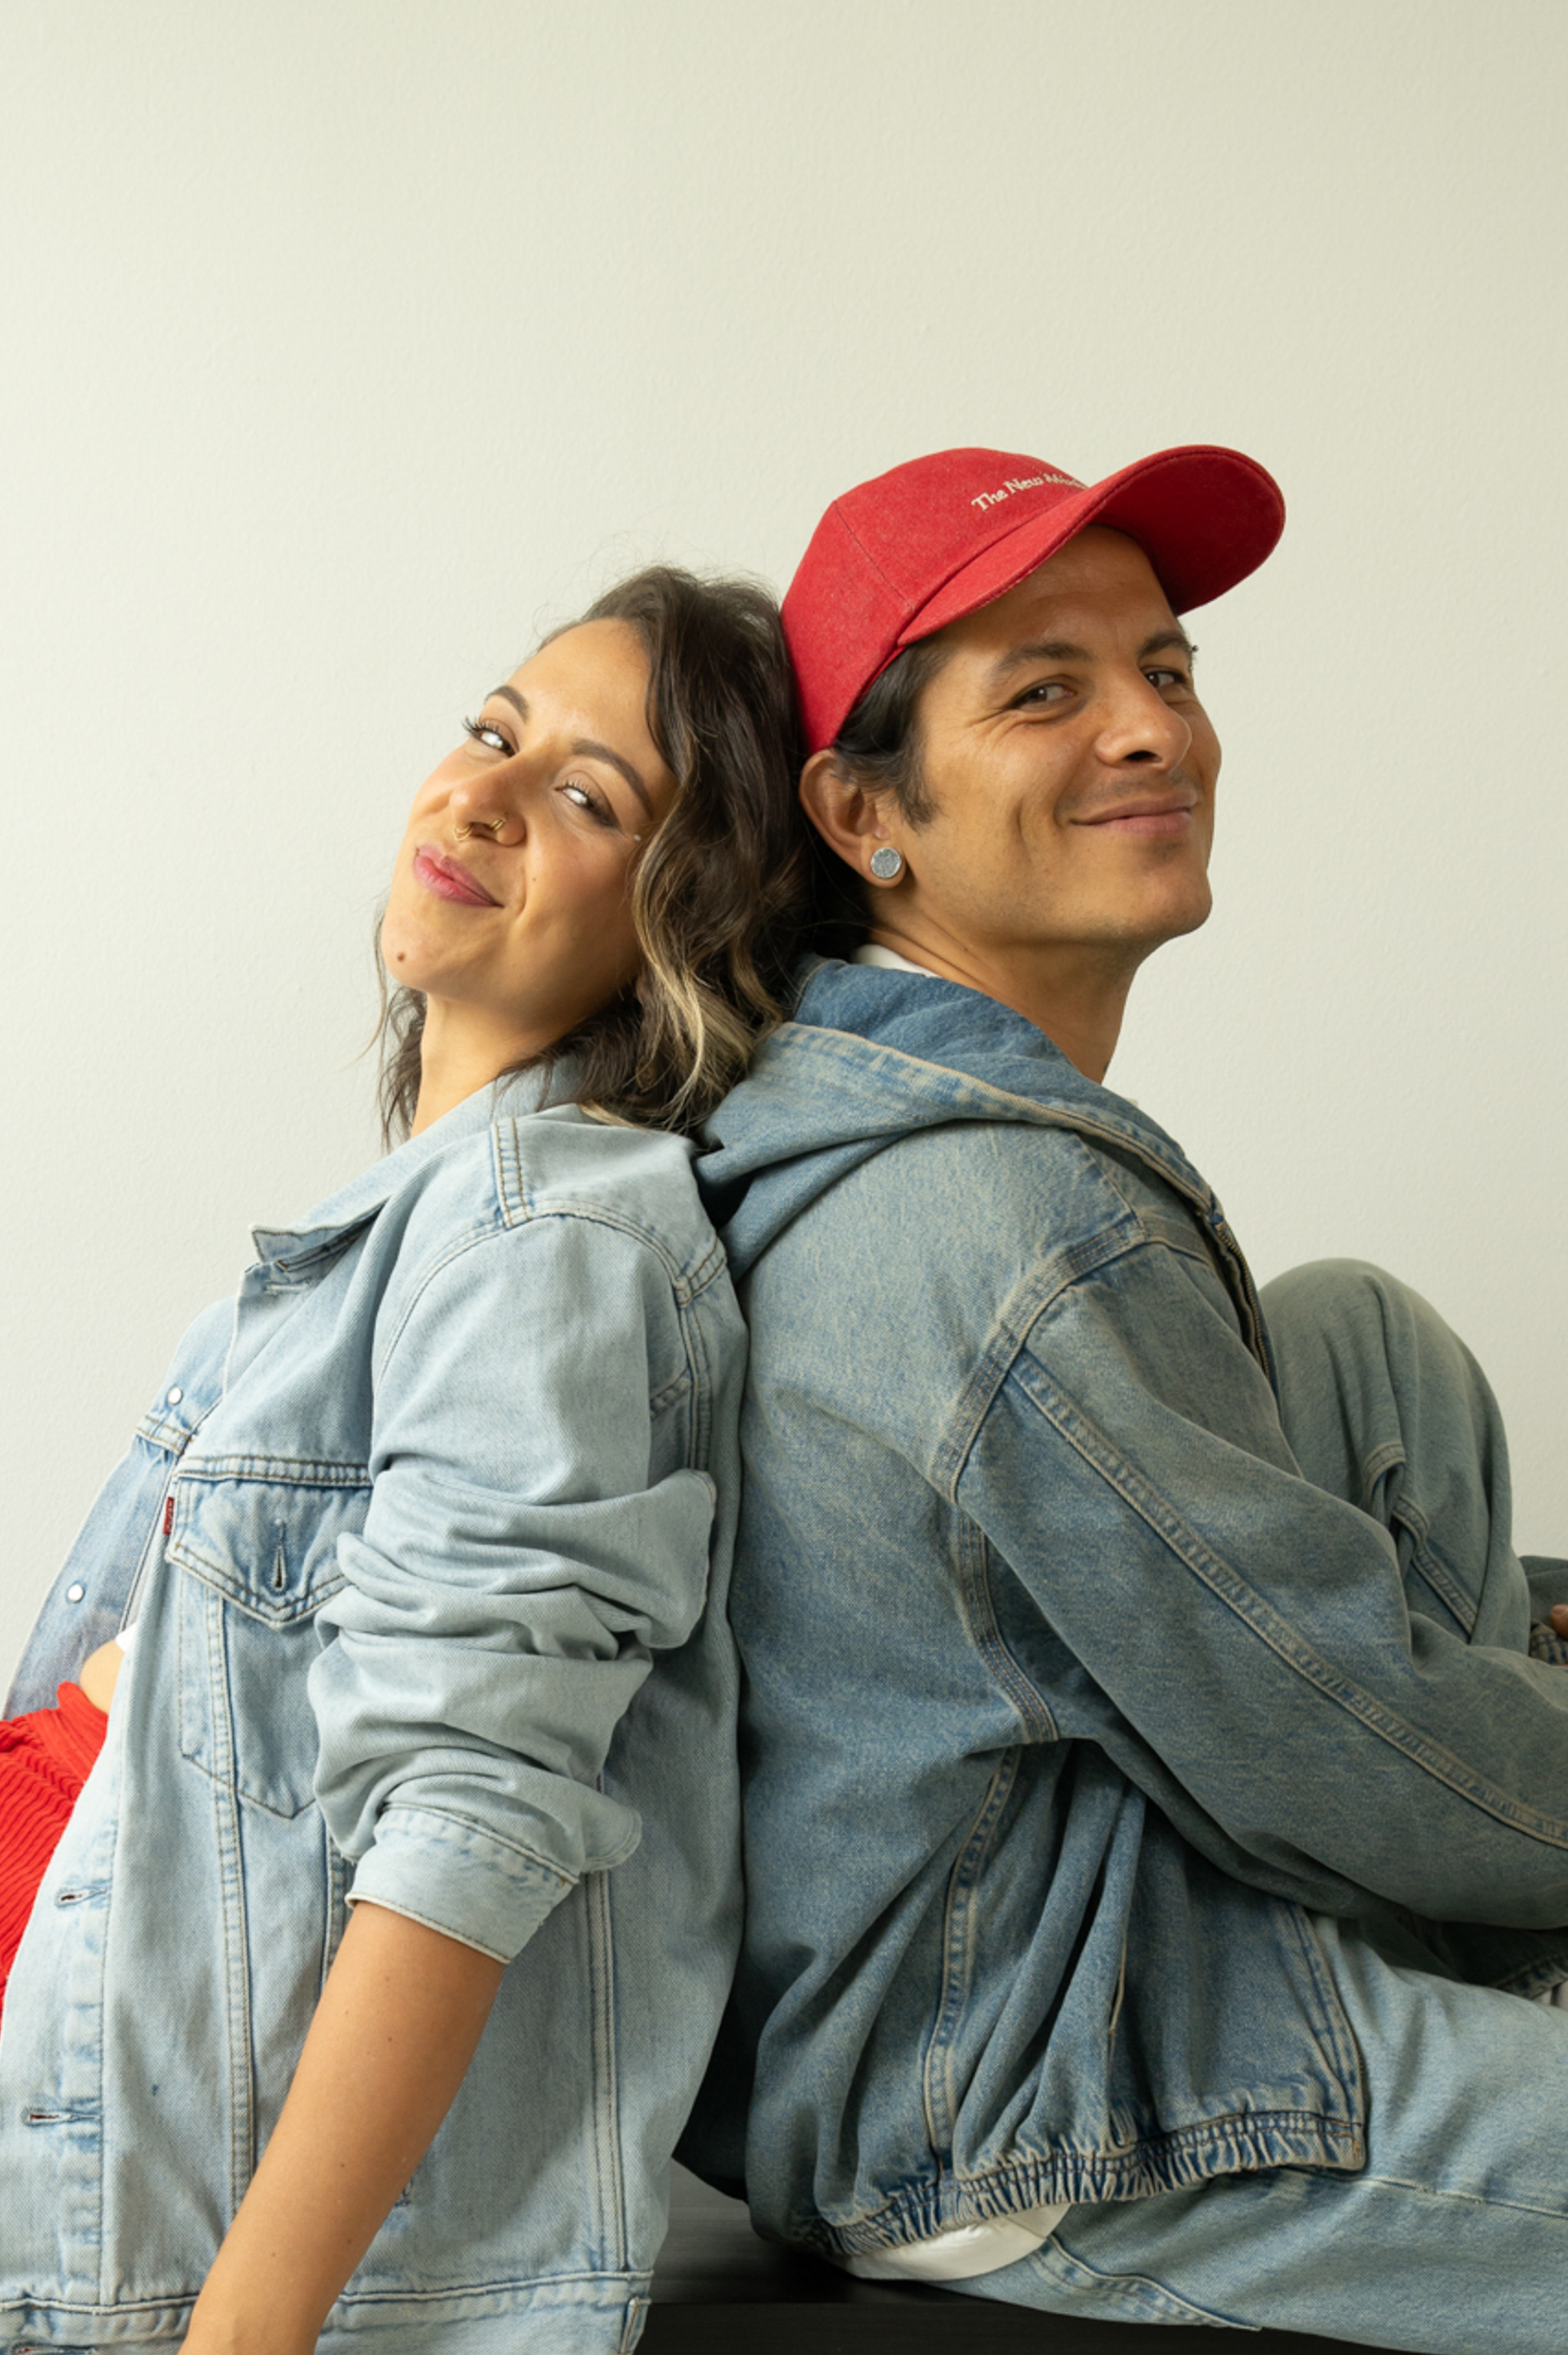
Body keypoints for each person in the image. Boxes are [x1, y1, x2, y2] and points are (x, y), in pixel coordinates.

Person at [686, 446, 1568, 2351]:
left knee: (1356, 1337)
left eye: (1165, 668)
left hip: (1007, 1937)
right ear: (864, 813)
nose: (1153, 726)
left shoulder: (880, 1105)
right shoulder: (1002, 1226)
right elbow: (1342, 1732)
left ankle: (1488, 1968)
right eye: (1045, 691)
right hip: (1035, 2087)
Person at [0, 563, 805, 2353]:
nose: (484, 794)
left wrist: (242, 2339)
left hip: (151, 2255)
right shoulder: (399, 1235)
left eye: (588, 795)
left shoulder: (548, 1239)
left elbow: (467, 1825)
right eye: (493, 731)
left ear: (689, 917)